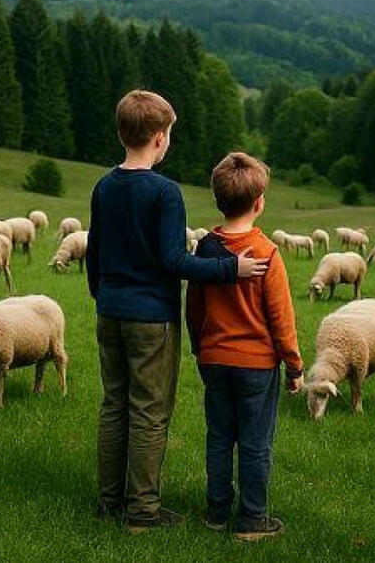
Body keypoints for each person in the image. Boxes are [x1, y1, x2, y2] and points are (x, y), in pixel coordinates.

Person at [86, 90, 269, 533]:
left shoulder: (104, 186)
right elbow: (173, 260)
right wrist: (230, 268)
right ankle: (143, 511)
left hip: (110, 311)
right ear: (159, 138)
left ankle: (110, 502)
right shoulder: (165, 192)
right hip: (151, 318)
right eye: (169, 134)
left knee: (114, 405)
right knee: (149, 411)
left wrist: (101, 294)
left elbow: (95, 250)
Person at [186, 152, 303, 541]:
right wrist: (294, 367)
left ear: (218, 200)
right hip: (256, 364)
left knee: (219, 436)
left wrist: (199, 347)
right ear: (259, 203)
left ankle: (217, 512)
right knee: (255, 442)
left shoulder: (205, 249)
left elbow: (194, 305)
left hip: (214, 359)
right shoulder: (267, 253)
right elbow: (281, 318)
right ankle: (253, 519)